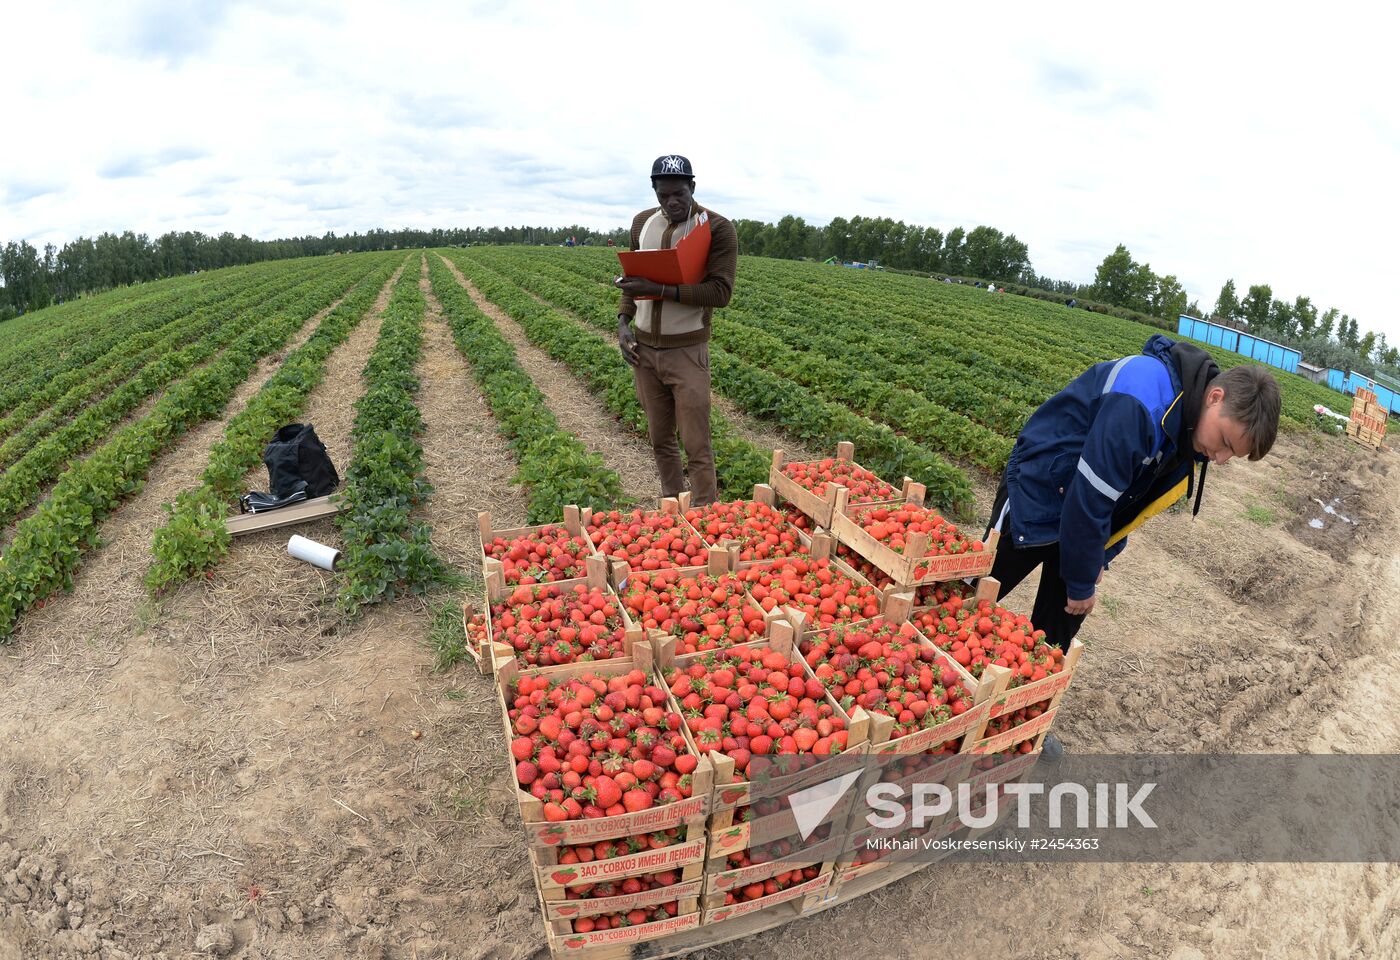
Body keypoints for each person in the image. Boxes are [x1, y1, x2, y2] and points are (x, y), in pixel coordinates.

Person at [985, 334, 1280, 756]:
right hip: (1042, 488)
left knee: (1059, 625)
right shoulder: (1144, 393)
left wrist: (1099, 556)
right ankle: (934, 692)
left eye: (1232, 456)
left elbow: (1130, 501)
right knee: (978, 588)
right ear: (1215, 397)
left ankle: (1024, 716)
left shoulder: (1188, 436)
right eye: (1227, 443)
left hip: (1086, 511)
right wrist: (1083, 581)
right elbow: (1090, 497)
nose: (1220, 459)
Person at [614, 155, 738, 507]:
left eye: (680, 193)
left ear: (693, 188)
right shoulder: (642, 224)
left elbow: (720, 292)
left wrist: (661, 288)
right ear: (655, 191)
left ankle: (704, 512)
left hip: (686, 352)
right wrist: (624, 323)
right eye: (664, 194)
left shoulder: (717, 228)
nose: (673, 202)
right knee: (660, 438)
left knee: (696, 442)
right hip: (644, 351)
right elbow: (632, 282)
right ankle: (672, 505)